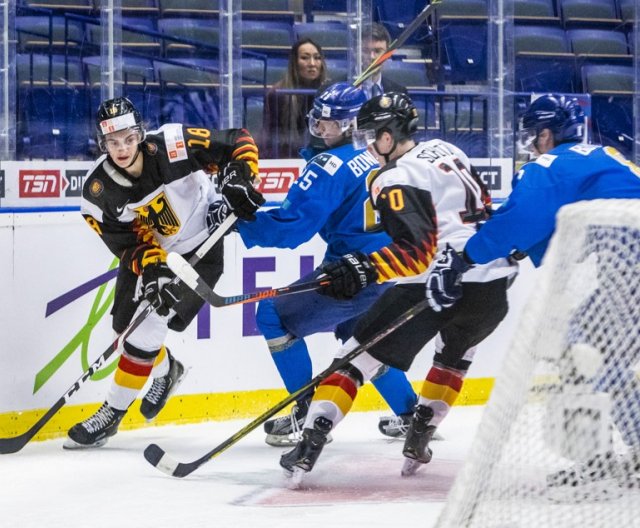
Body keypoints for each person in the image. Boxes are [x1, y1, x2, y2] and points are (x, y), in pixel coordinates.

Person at [278, 92, 518, 483]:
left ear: (389, 136)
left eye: (373, 135)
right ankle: (419, 436)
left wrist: (363, 267)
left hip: (436, 283)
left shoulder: (393, 177)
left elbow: (418, 254)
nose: (369, 145)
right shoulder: (446, 149)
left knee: (354, 357)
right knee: (454, 357)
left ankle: (310, 442)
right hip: (490, 284)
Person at [427, 94, 640, 486]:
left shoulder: (548, 164)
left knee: (583, 355)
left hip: (627, 271)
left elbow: (519, 220)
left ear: (546, 134)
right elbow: (561, 218)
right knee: (601, 357)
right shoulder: (604, 154)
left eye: (532, 135)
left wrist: (466, 258)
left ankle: (595, 461)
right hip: (627, 266)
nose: (530, 143)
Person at [64, 96, 263, 449]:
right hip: (156, 251)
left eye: (128, 138)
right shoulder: (98, 191)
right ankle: (167, 369)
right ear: (102, 143)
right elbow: (126, 241)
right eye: (113, 141)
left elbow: (237, 141)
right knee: (124, 328)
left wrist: (240, 179)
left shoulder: (174, 144)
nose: (122, 148)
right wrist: (152, 268)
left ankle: (111, 413)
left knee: (146, 332)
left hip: (201, 246)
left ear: (140, 133)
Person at [232, 83, 419, 446]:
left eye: (327, 123)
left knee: (271, 315)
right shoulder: (378, 155)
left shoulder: (330, 163)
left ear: (349, 125)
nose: (318, 128)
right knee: (359, 338)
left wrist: (241, 219)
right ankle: (414, 416)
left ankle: (305, 410)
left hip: (352, 273)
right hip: (390, 267)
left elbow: (292, 229)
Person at [262, 38, 328, 159]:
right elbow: (272, 139)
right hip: (287, 159)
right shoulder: (278, 94)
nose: (312, 63)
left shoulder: (330, 93)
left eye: (317, 58)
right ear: (294, 63)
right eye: (305, 58)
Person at [361, 23, 407, 100]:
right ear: (357, 52)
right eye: (366, 51)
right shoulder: (342, 91)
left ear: (387, 54)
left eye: (378, 51)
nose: (372, 56)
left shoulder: (399, 93)